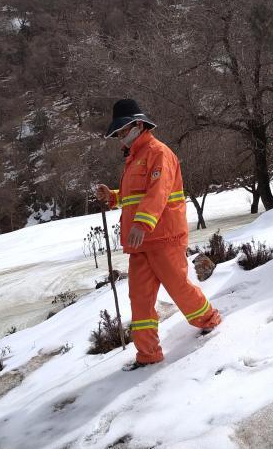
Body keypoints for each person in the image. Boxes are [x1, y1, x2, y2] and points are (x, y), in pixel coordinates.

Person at [95, 99, 221, 371]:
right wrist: (113, 197)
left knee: (179, 288)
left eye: (121, 131)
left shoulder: (158, 153)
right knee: (139, 300)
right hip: (139, 242)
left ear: (138, 125)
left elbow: (158, 192)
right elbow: (135, 197)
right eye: (117, 134)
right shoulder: (134, 159)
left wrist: (142, 223)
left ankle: (209, 321)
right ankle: (148, 355)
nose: (119, 138)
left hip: (163, 237)